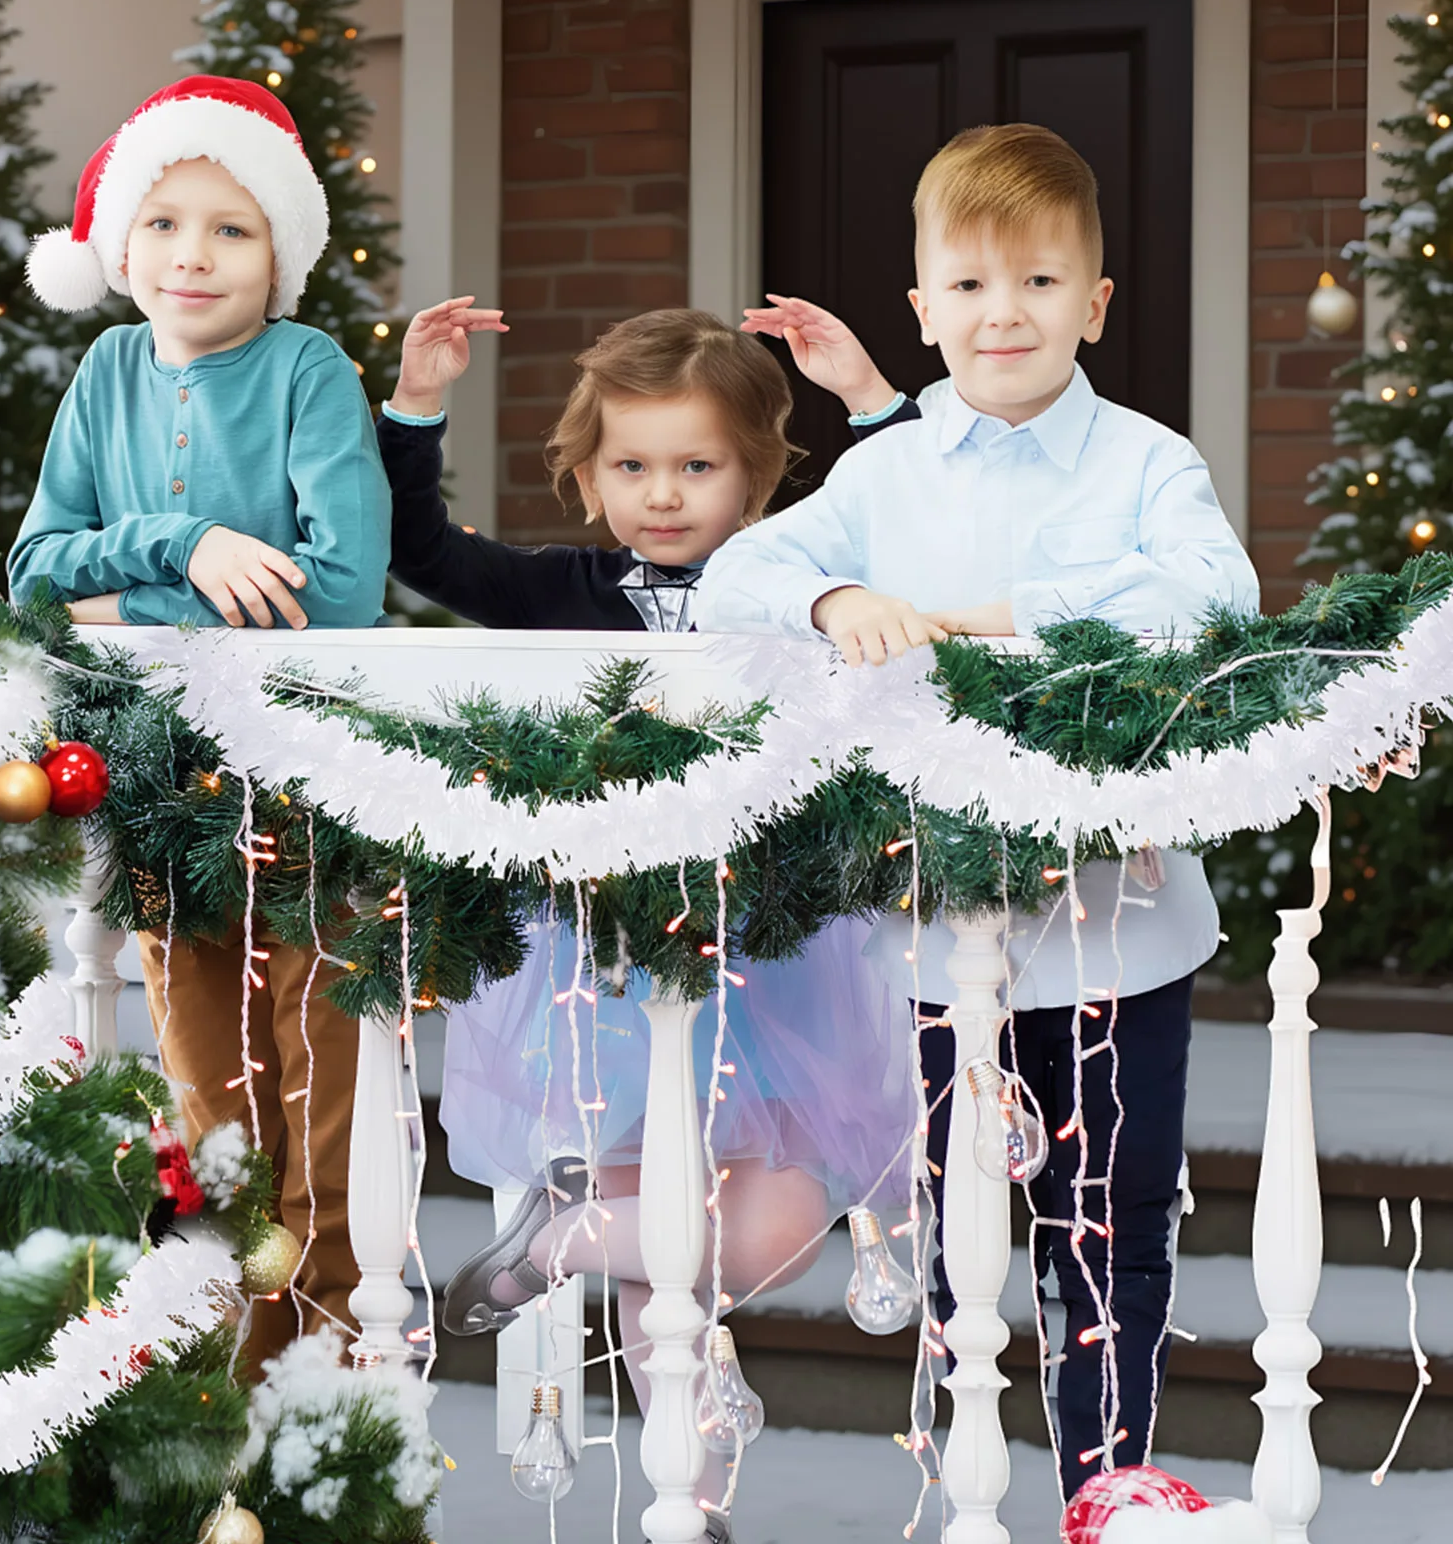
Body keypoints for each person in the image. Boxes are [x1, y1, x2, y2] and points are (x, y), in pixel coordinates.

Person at [698, 123, 1260, 1498]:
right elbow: (732, 583)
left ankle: (1108, 1494)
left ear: (1095, 303)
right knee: (952, 1226)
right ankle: (969, 1486)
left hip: (1118, 932)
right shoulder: (885, 473)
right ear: (922, 309)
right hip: (930, 935)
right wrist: (836, 600)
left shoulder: (1143, 463)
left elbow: (1217, 601)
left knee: (1111, 1230)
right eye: (968, 287)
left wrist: (1005, 623)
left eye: (1040, 284)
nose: (1002, 314)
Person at [378, 301, 909, 1539]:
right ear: (584, 471)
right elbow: (421, 553)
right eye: (630, 464)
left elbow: (915, 521)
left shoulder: (797, 587)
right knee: (667, 1261)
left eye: (696, 464)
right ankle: (695, 1501)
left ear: (757, 473)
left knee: (768, 1225)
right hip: (607, 962)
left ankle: (556, 1243)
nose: (661, 494)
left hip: (773, 960)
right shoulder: (556, 591)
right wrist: (416, 406)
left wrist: (872, 396)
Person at [9, 76, 393, 1372]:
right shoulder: (107, 368)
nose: (193, 254)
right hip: (157, 776)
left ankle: (326, 1356)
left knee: (314, 1071)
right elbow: (33, 573)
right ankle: (230, 1358)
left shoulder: (309, 370)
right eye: (166, 221)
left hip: (302, 765)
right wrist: (192, 542)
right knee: (203, 1082)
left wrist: (133, 595)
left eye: (231, 227)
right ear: (122, 246)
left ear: (279, 250)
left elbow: (337, 593)